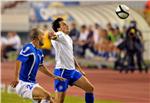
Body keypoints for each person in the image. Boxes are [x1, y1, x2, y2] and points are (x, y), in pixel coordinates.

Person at [10, 28, 65, 103]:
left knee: (51, 101)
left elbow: (41, 67)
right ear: (38, 37)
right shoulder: (29, 48)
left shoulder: (39, 52)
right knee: (47, 96)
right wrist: (16, 79)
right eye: (42, 35)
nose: (44, 37)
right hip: (23, 84)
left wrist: (54, 76)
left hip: (33, 84)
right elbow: (18, 60)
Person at [50, 18, 94, 103]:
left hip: (72, 71)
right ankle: (44, 100)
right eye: (63, 24)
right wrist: (53, 35)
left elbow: (71, 55)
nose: (67, 25)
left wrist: (79, 68)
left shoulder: (68, 38)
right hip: (62, 72)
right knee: (59, 102)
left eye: (66, 23)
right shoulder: (60, 34)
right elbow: (55, 36)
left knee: (90, 88)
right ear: (58, 28)